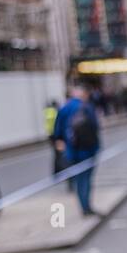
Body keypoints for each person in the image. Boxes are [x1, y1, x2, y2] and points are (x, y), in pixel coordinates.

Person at [54, 84, 101, 216]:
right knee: (86, 178)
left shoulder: (64, 108)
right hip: (89, 149)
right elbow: (95, 127)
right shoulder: (87, 107)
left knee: (78, 178)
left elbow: (58, 131)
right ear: (84, 94)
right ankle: (86, 206)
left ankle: (82, 205)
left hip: (72, 150)